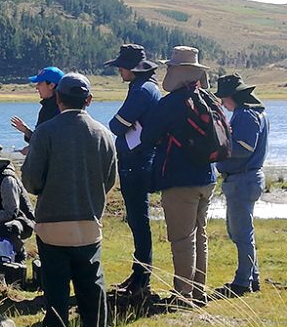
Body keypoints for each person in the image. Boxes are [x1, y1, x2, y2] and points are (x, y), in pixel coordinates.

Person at [22, 74, 117, 327]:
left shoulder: (46, 132)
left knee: (56, 290)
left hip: (52, 225)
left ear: (58, 99)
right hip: (89, 223)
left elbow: (31, 181)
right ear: (88, 100)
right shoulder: (103, 134)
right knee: (92, 288)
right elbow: (109, 180)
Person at [141, 46, 216, 305]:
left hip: (179, 179)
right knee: (199, 234)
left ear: (176, 72)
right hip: (208, 177)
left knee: (182, 239)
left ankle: (183, 295)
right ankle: (199, 291)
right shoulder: (208, 99)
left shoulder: (170, 103)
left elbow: (147, 137)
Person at [104, 44, 162, 297]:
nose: (119, 70)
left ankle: (141, 279)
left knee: (139, 221)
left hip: (136, 162)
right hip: (137, 161)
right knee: (138, 220)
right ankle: (139, 275)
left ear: (132, 69)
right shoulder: (145, 88)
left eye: (121, 66)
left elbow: (117, 125)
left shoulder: (141, 91)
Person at [213, 74, 269, 297]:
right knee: (242, 231)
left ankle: (242, 282)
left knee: (241, 233)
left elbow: (244, 148)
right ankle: (251, 278)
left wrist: (219, 149)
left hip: (242, 179)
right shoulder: (254, 112)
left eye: (224, 99)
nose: (223, 104)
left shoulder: (245, 115)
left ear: (231, 97)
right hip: (247, 179)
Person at [10, 66, 63, 155]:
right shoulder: (46, 108)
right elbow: (41, 139)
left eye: (40, 83)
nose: (37, 87)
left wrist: (32, 149)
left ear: (51, 85)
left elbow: (56, 144)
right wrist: (26, 131)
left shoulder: (59, 109)